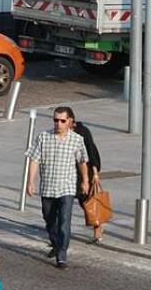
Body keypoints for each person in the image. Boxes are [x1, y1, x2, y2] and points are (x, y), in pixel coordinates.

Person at [25, 106, 90, 269]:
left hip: (66, 187)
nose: (58, 124)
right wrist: (30, 181)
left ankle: (62, 255)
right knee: (49, 219)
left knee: (64, 222)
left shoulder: (77, 139)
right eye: (55, 120)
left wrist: (85, 180)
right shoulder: (43, 137)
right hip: (48, 186)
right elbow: (34, 159)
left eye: (62, 120)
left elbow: (82, 161)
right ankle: (55, 242)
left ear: (69, 121)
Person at [70, 111, 105, 244]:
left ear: (72, 121)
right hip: (68, 172)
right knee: (62, 203)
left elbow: (92, 151)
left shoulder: (83, 132)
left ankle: (97, 226)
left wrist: (95, 173)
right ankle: (58, 235)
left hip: (85, 172)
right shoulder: (60, 134)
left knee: (87, 202)